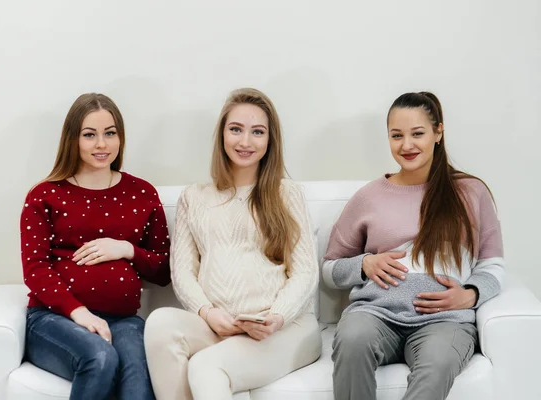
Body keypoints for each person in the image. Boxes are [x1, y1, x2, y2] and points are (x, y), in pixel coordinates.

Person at [323, 91, 505, 400]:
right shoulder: (370, 196)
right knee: (352, 340)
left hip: (445, 322)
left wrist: (469, 295)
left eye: (417, 133)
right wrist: (364, 265)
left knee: (438, 363)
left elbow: (492, 265)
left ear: (438, 132)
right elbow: (330, 269)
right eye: (397, 136)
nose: (407, 145)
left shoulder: (471, 192)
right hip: (375, 314)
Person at [144, 88, 322, 399]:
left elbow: (305, 272)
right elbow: (183, 272)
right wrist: (208, 313)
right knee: (159, 323)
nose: (245, 141)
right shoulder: (194, 198)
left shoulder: (286, 194)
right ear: (222, 135)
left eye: (257, 132)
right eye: (236, 129)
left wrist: (276, 316)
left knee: (204, 367)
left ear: (269, 141)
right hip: (221, 324)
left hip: (283, 329)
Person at [20, 93, 170, 400]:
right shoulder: (45, 195)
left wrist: (127, 249)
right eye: (90, 135)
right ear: (73, 139)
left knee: (139, 379)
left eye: (110, 133)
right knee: (100, 357)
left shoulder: (142, 193)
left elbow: (164, 269)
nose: (102, 144)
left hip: (125, 320)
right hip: (54, 320)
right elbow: (35, 270)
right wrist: (79, 313)